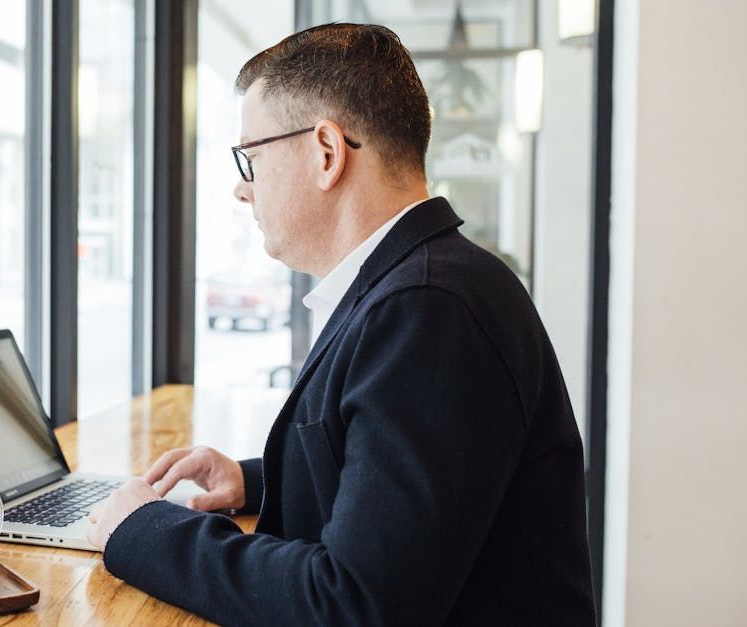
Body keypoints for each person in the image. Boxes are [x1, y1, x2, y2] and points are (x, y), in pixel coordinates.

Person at [86, 23, 595, 625]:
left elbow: (354, 604)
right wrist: (254, 480)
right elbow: (404, 483)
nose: (241, 188)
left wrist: (144, 530)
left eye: (251, 157)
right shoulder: (426, 280)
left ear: (326, 153)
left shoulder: (428, 307)